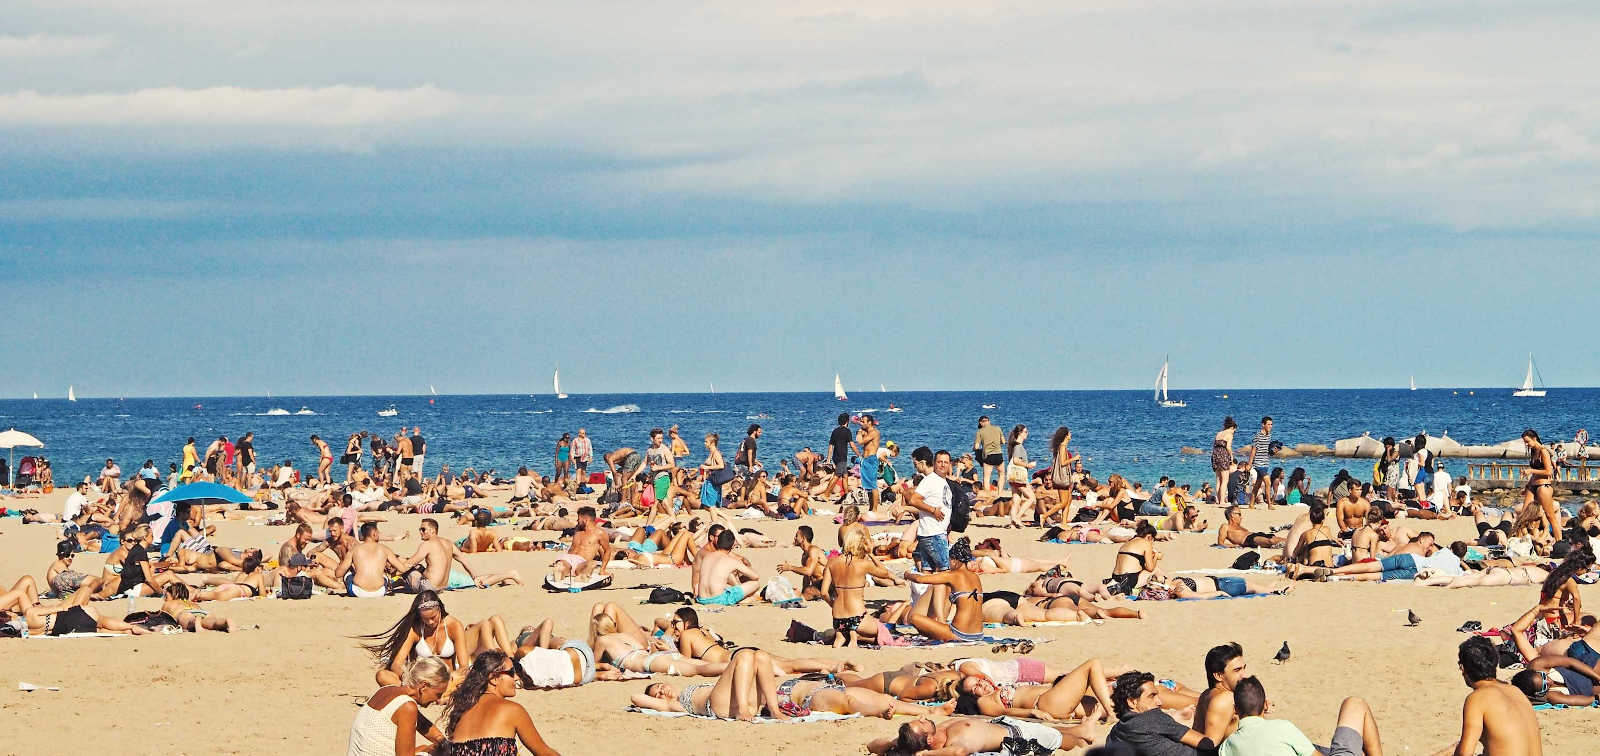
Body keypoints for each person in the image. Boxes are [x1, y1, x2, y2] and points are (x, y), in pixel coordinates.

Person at [361, 590, 515, 686]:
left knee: (465, 677)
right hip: (421, 680)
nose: (430, 622)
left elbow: (462, 666)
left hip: (448, 678)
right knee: (382, 675)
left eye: (433, 617)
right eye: (425, 619)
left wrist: (453, 677)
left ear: (440, 609)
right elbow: (396, 664)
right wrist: (410, 678)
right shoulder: (415, 629)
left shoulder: (454, 625)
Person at [1220, 676, 1382, 756]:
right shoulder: (1281, 727)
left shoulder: (1226, 748)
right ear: (1266, 705)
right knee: (1354, 704)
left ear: (1235, 710)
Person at [1435, 637, 1542, 756]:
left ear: (1462, 668)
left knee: (1452, 751)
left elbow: (1465, 753)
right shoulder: (1515, 691)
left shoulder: (1477, 698)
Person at [441, 651, 561, 755]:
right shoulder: (512, 710)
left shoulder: (463, 711)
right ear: (494, 679)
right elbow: (544, 753)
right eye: (511, 672)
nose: (516, 678)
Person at [631, 647, 792, 721]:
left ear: (666, 682)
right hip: (718, 706)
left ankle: (774, 710)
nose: (661, 693)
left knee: (761, 656)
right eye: (658, 696)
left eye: (660, 687)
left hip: (748, 703)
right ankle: (742, 709)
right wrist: (658, 701)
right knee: (743, 656)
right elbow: (636, 697)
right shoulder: (674, 705)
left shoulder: (687, 686)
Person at [348, 656, 449, 756]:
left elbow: (422, 723)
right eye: (438, 694)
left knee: (427, 748)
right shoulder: (407, 707)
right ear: (424, 686)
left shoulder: (386, 690)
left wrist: (444, 742)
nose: (438, 700)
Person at [821, 529, 904, 646]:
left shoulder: (832, 562)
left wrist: (832, 605)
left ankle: (845, 637)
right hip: (858, 617)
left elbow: (824, 592)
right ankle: (854, 636)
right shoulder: (863, 564)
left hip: (838, 619)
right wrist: (870, 554)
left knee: (844, 633)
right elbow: (885, 572)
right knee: (882, 630)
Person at [1107, 671, 1216, 756]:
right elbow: (1206, 744)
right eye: (1152, 696)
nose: (1159, 702)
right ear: (1132, 702)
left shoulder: (1114, 734)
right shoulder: (1153, 717)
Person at [903, 537, 986, 642]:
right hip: (978, 634)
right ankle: (940, 623)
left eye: (949, 561)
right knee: (943, 585)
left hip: (959, 634)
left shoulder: (953, 575)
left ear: (955, 560)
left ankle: (940, 625)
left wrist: (907, 574)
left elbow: (920, 579)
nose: (949, 564)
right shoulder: (975, 576)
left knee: (914, 618)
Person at [870, 716, 1086, 755]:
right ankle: (1082, 737)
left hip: (1000, 724)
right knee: (1062, 740)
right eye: (922, 723)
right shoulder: (954, 744)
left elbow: (872, 746)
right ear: (927, 740)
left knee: (1063, 732)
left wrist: (894, 742)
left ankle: (1081, 730)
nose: (924, 718)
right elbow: (959, 752)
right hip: (1019, 735)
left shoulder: (925, 738)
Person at [1194, 642, 1246, 743]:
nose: (1244, 675)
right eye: (1237, 670)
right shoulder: (1226, 698)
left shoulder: (1206, 694)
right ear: (1218, 676)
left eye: (1244, 668)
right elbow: (1209, 744)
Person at [1005, 425, 1036, 526]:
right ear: (1020, 433)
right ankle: (1017, 518)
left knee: (1016, 500)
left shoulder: (1014, 446)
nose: (1027, 434)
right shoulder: (1018, 446)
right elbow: (1016, 460)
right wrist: (1028, 465)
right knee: (1031, 498)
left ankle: (1012, 523)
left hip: (1013, 477)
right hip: (1019, 477)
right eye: (1025, 432)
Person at [1217, 506, 1285, 548]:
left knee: (1281, 539)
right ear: (1232, 515)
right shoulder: (1225, 526)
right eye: (1239, 514)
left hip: (1256, 534)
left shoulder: (1241, 527)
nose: (1241, 517)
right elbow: (1220, 543)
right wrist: (1234, 546)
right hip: (1249, 539)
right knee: (1271, 541)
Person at [854, 415, 881, 513]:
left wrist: (859, 432)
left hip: (871, 460)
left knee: (873, 486)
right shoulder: (868, 432)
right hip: (865, 460)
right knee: (868, 486)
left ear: (869, 422)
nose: (862, 423)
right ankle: (871, 507)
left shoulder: (874, 432)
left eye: (863, 421)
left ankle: (875, 509)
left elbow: (860, 441)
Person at [1245, 416, 1274, 508]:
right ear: (1263, 425)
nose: (1270, 426)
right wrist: (1249, 464)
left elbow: (1267, 450)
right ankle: (1269, 504)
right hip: (1258, 463)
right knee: (1268, 482)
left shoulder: (1269, 435)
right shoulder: (1258, 435)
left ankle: (1251, 504)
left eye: (1271, 424)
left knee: (1257, 484)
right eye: (1268, 424)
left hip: (1266, 462)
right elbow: (1253, 450)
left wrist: (1273, 451)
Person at [973, 415, 1007, 492]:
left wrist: (974, 448)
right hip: (998, 454)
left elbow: (977, 446)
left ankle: (987, 495)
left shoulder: (980, 431)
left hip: (988, 455)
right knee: (1001, 474)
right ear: (989, 421)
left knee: (987, 477)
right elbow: (1003, 442)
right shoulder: (998, 428)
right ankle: (999, 493)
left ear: (981, 423)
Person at [1211, 416, 1238, 505]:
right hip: (1223, 455)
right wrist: (1231, 457)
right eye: (1234, 430)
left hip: (1215, 455)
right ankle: (1222, 501)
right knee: (1225, 480)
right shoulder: (1229, 434)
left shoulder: (1219, 433)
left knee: (1218, 479)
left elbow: (1214, 445)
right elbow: (1228, 447)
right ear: (1232, 427)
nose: (1234, 432)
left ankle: (1218, 500)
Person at [828, 413, 853, 480]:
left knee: (845, 475)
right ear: (847, 421)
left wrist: (828, 459)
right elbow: (852, 445)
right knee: (836, 477)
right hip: (842, 458)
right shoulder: (847, 431)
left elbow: (831, 446)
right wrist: (859, 454)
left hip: (835, 457)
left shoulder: (835, 431)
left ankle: (846, 491)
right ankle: (827, 491)